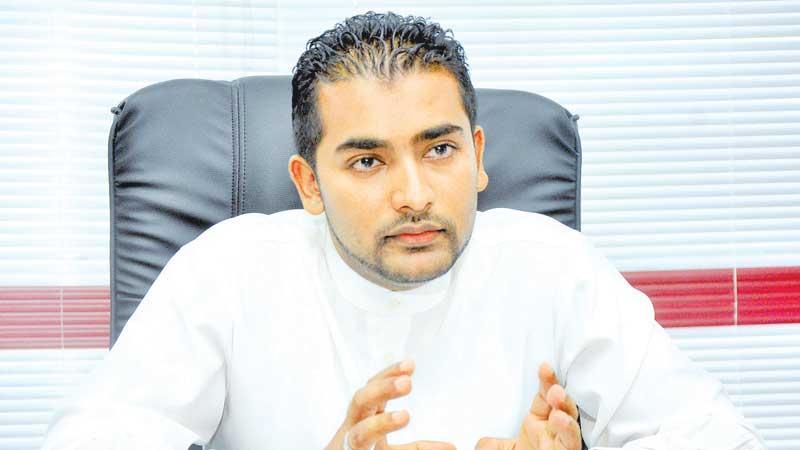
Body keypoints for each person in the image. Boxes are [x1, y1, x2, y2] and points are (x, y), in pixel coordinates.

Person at [43, 11, 765, 450]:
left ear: (477, 156)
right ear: (308, 184)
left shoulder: (553, 266)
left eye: (439, 149)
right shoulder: (226, 273)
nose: (415, 195)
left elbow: (718, 437)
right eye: (367, 161)